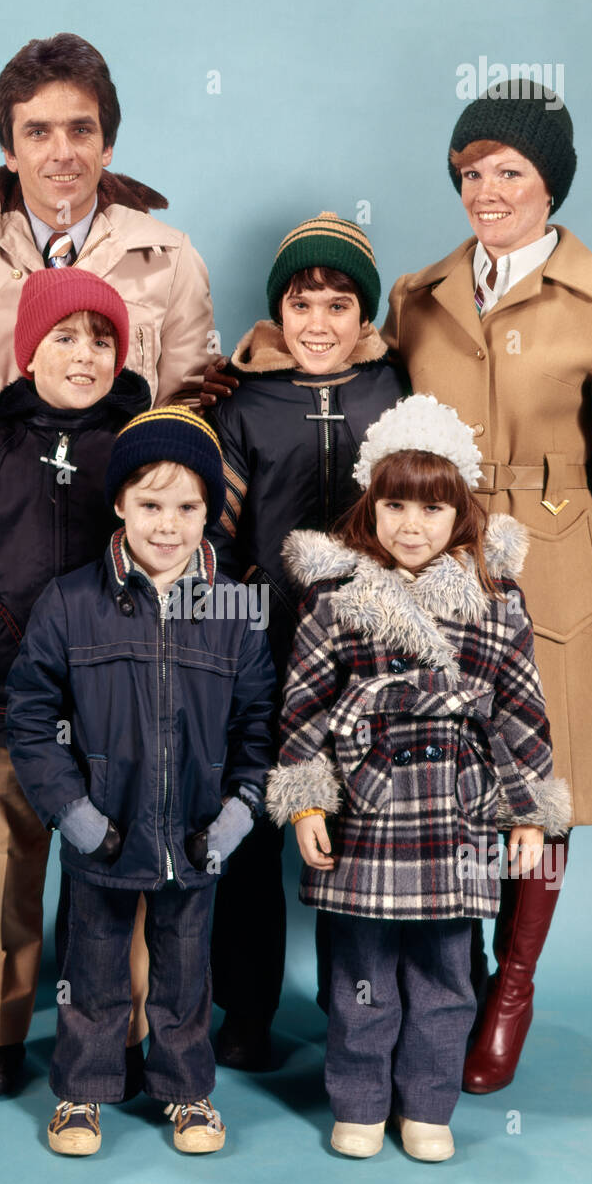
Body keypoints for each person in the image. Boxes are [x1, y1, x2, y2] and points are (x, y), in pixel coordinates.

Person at [0, 33, 214, 1035]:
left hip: (117, 567)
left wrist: (172, 520)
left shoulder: (164, 252)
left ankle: (107, 1004)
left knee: (122, 776)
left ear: (107, 141)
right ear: (8, 146)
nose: (61, 149)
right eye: (38, 131)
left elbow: (192, 395)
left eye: (82, 128)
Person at [381, 80, 592, 1092]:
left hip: (558, 575)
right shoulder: (418, 294)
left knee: (547, 791)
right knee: (449, 779)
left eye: (508, 171)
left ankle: (513, 984)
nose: (485, 191)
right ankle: (451, 974)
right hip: (439, 570)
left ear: (551, 183)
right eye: (469, 172)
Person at [266, 395, 571, 1160]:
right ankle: (361, 1101)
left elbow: (520, 711)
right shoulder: (334, 600)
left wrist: (528, 814)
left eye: (432, 509)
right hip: (369, 809)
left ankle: (427, 1107)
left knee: (443, 976)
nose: (411, 525)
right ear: (369, 507)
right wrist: (306, 803)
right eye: (394, 504)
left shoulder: (497, 603)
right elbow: (302, 707)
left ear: (461, 513)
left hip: (455, 810)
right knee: (359, 976)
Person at [5, 408, 276, 1155]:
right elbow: (29, 720)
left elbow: (259, 726)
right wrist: (72, 812)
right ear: (119, 504)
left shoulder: (234, 610)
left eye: (188, 507)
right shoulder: (71, 602)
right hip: (105, 834)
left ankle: (186, 1092)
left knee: (186, 975)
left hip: (195, 838)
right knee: (92, 972)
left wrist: (240, 810)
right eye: (150, 505)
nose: (168, 525)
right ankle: (81, 1095)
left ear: (209, 513)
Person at [0, 268, 151, 1097]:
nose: (83, 356)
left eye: (101, 340)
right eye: (64, 337)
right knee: (5, 866)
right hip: (10, 698)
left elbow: (174, 558)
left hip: (114, 702)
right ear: (29, 349)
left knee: (115, 871)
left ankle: (120, 1029)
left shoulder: (140, 443)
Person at [204, 212, 405, 1068]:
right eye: (299, 303)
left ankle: (356, 1013)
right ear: (276, 314)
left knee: (359, 836)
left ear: (363, 314)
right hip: (268, 650)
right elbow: (217, 536)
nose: (317, 323)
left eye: (336, 303)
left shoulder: (393, 393)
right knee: (251, 832)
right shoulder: (244, 404)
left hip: (370, 658)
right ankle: (244, 1007)